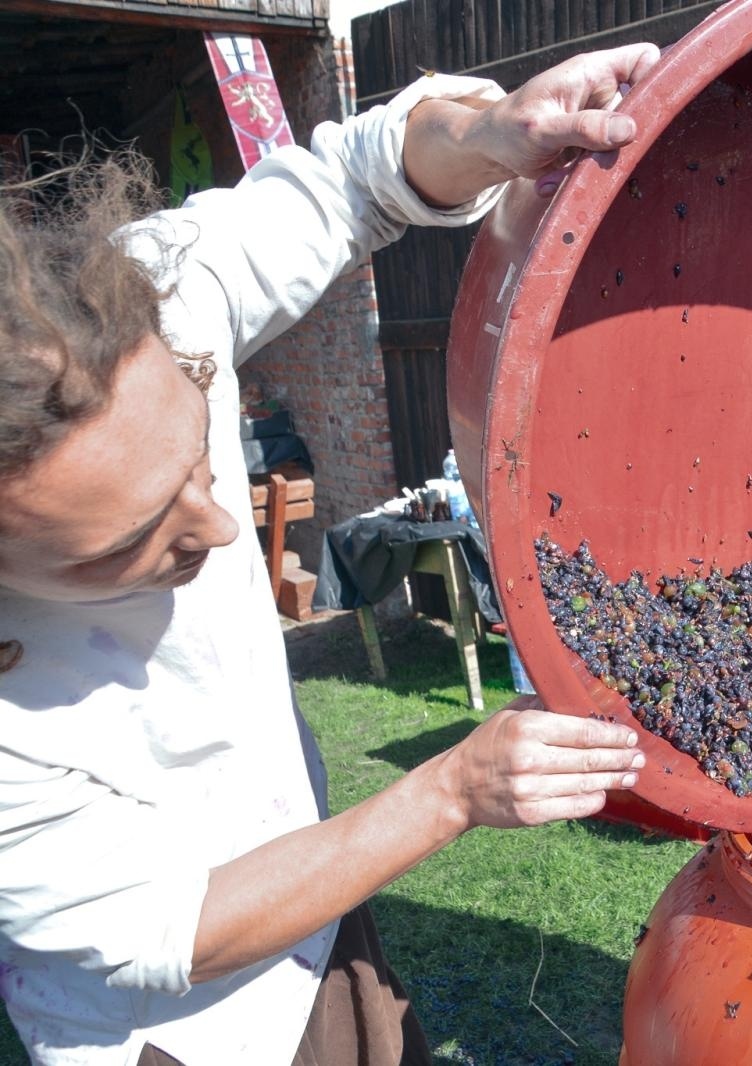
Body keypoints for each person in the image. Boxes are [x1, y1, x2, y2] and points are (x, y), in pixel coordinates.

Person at [0, 45, 667, 1065]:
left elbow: (356, 174)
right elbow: (173, 933)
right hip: (187, 1033)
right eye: (127, 541)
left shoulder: (148, 299)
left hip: (319, 913)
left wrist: (486, 135)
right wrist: (449, 791)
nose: (221, 529)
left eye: (200, 453)